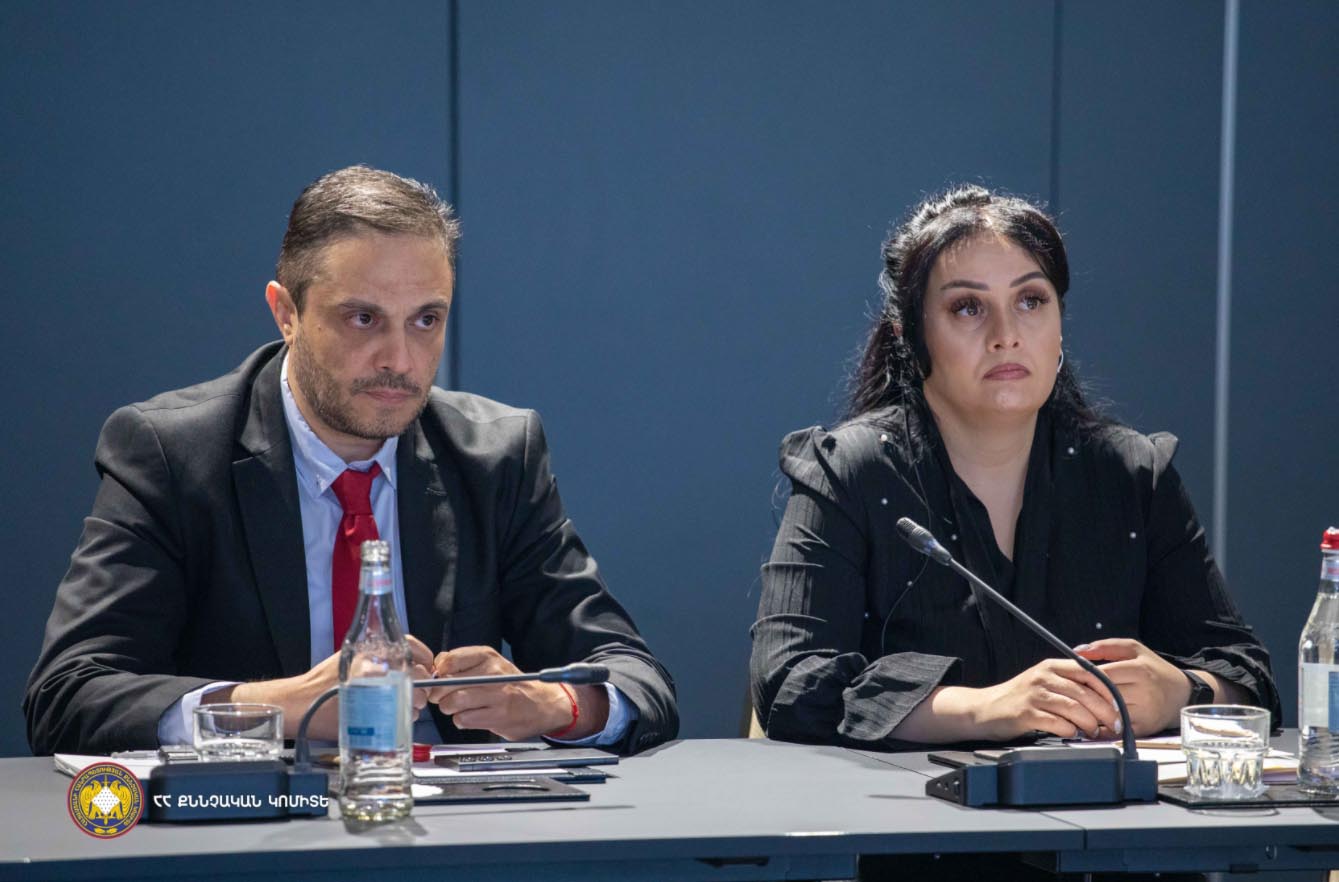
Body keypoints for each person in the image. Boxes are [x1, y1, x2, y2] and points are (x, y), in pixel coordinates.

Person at [25, 165, 677, 756]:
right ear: (286, 313)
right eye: (363, 318)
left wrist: (554, 705)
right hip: (245, 824)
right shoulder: (172, 454)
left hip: (451, 827)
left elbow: (636, 678)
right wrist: (280, 707)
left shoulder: (495, 457)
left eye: (426, 320)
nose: (399, 359)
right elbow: (69, 695)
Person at [750, 185, 1278, 750]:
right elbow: (789, 680)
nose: (1006, 336)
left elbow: (1249, 678)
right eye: (967, 307)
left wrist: (1181, 692)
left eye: (1031, 301)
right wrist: (984, 709)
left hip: (1097, 806)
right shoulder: (849, 472)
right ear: (910, 334)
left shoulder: (1132, 475)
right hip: (907, 806)